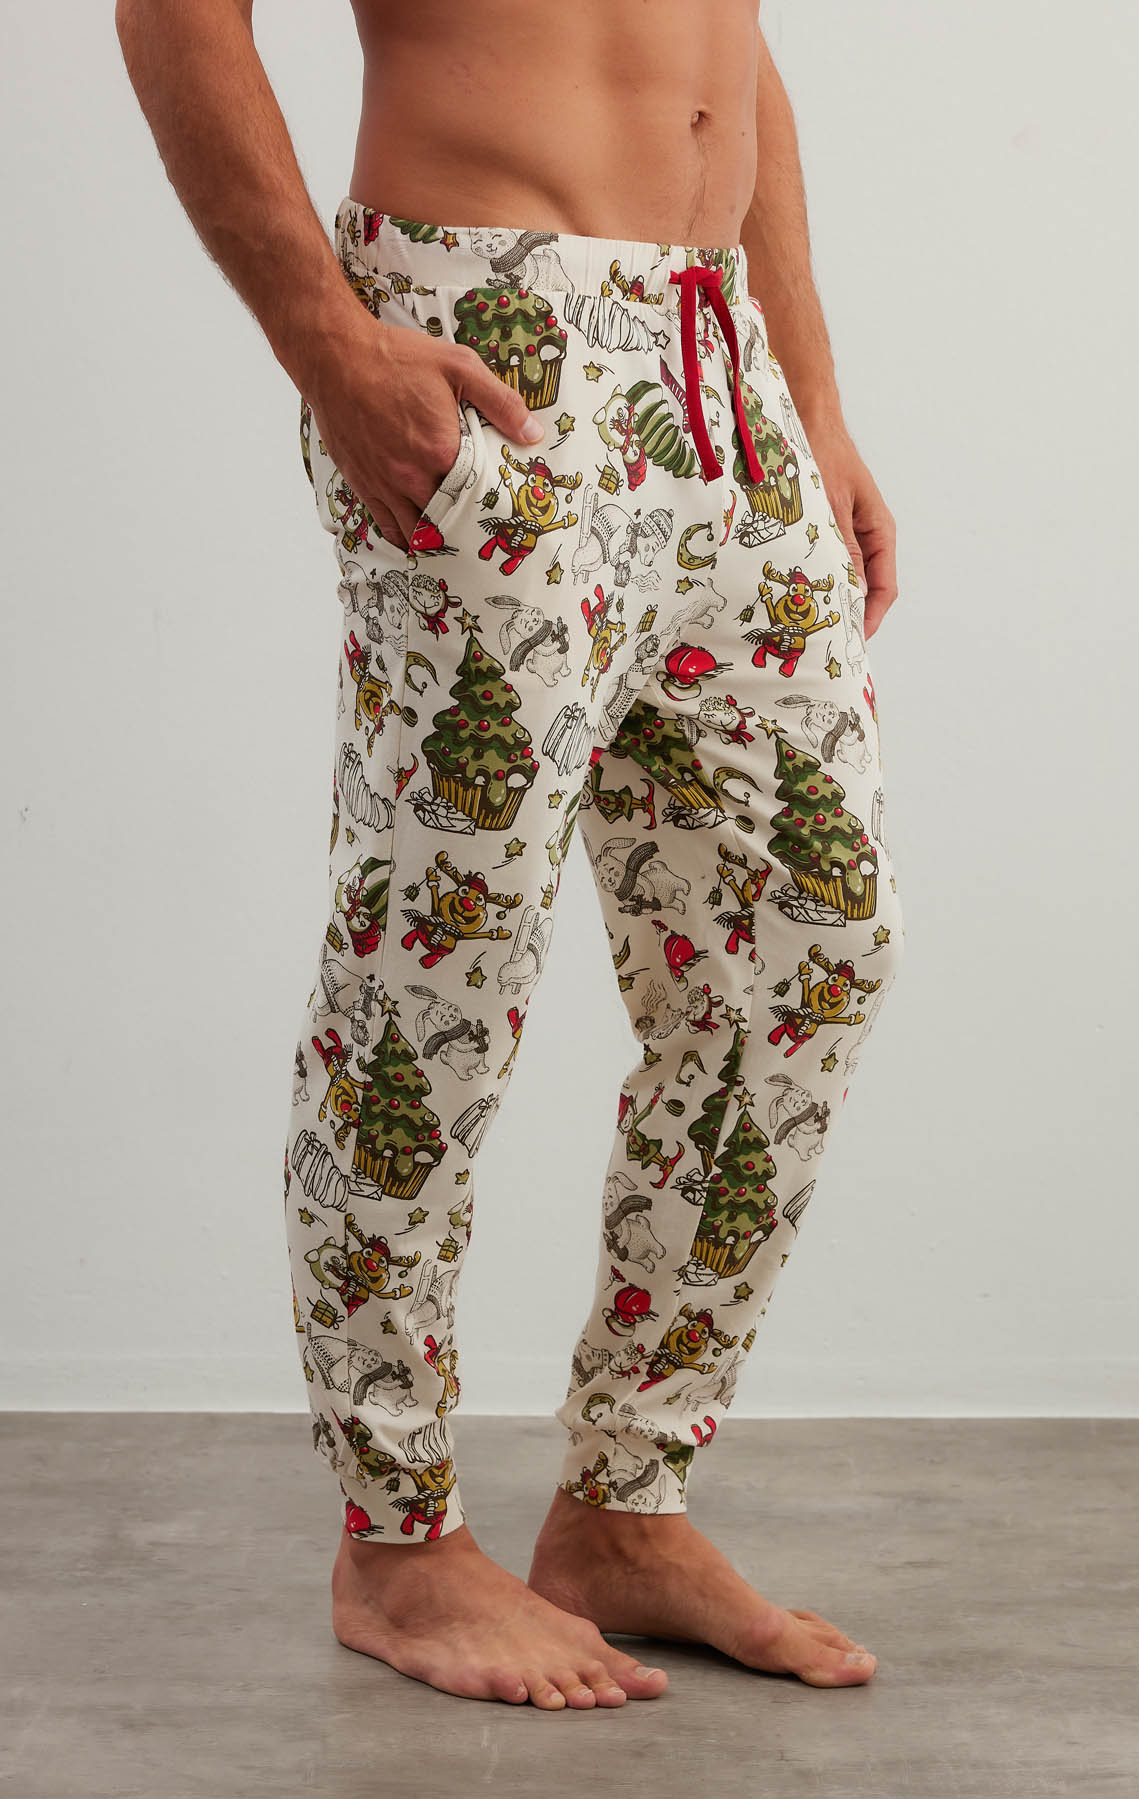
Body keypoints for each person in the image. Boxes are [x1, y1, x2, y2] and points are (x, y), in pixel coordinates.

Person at [116, 0, 904, 1713]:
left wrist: (810, 395)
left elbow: (731, 52)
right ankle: (396, 1542)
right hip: (491, 341)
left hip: (720, 368)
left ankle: (626, 1502)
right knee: (438, 968)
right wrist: (330, 344)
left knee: (809, 947)